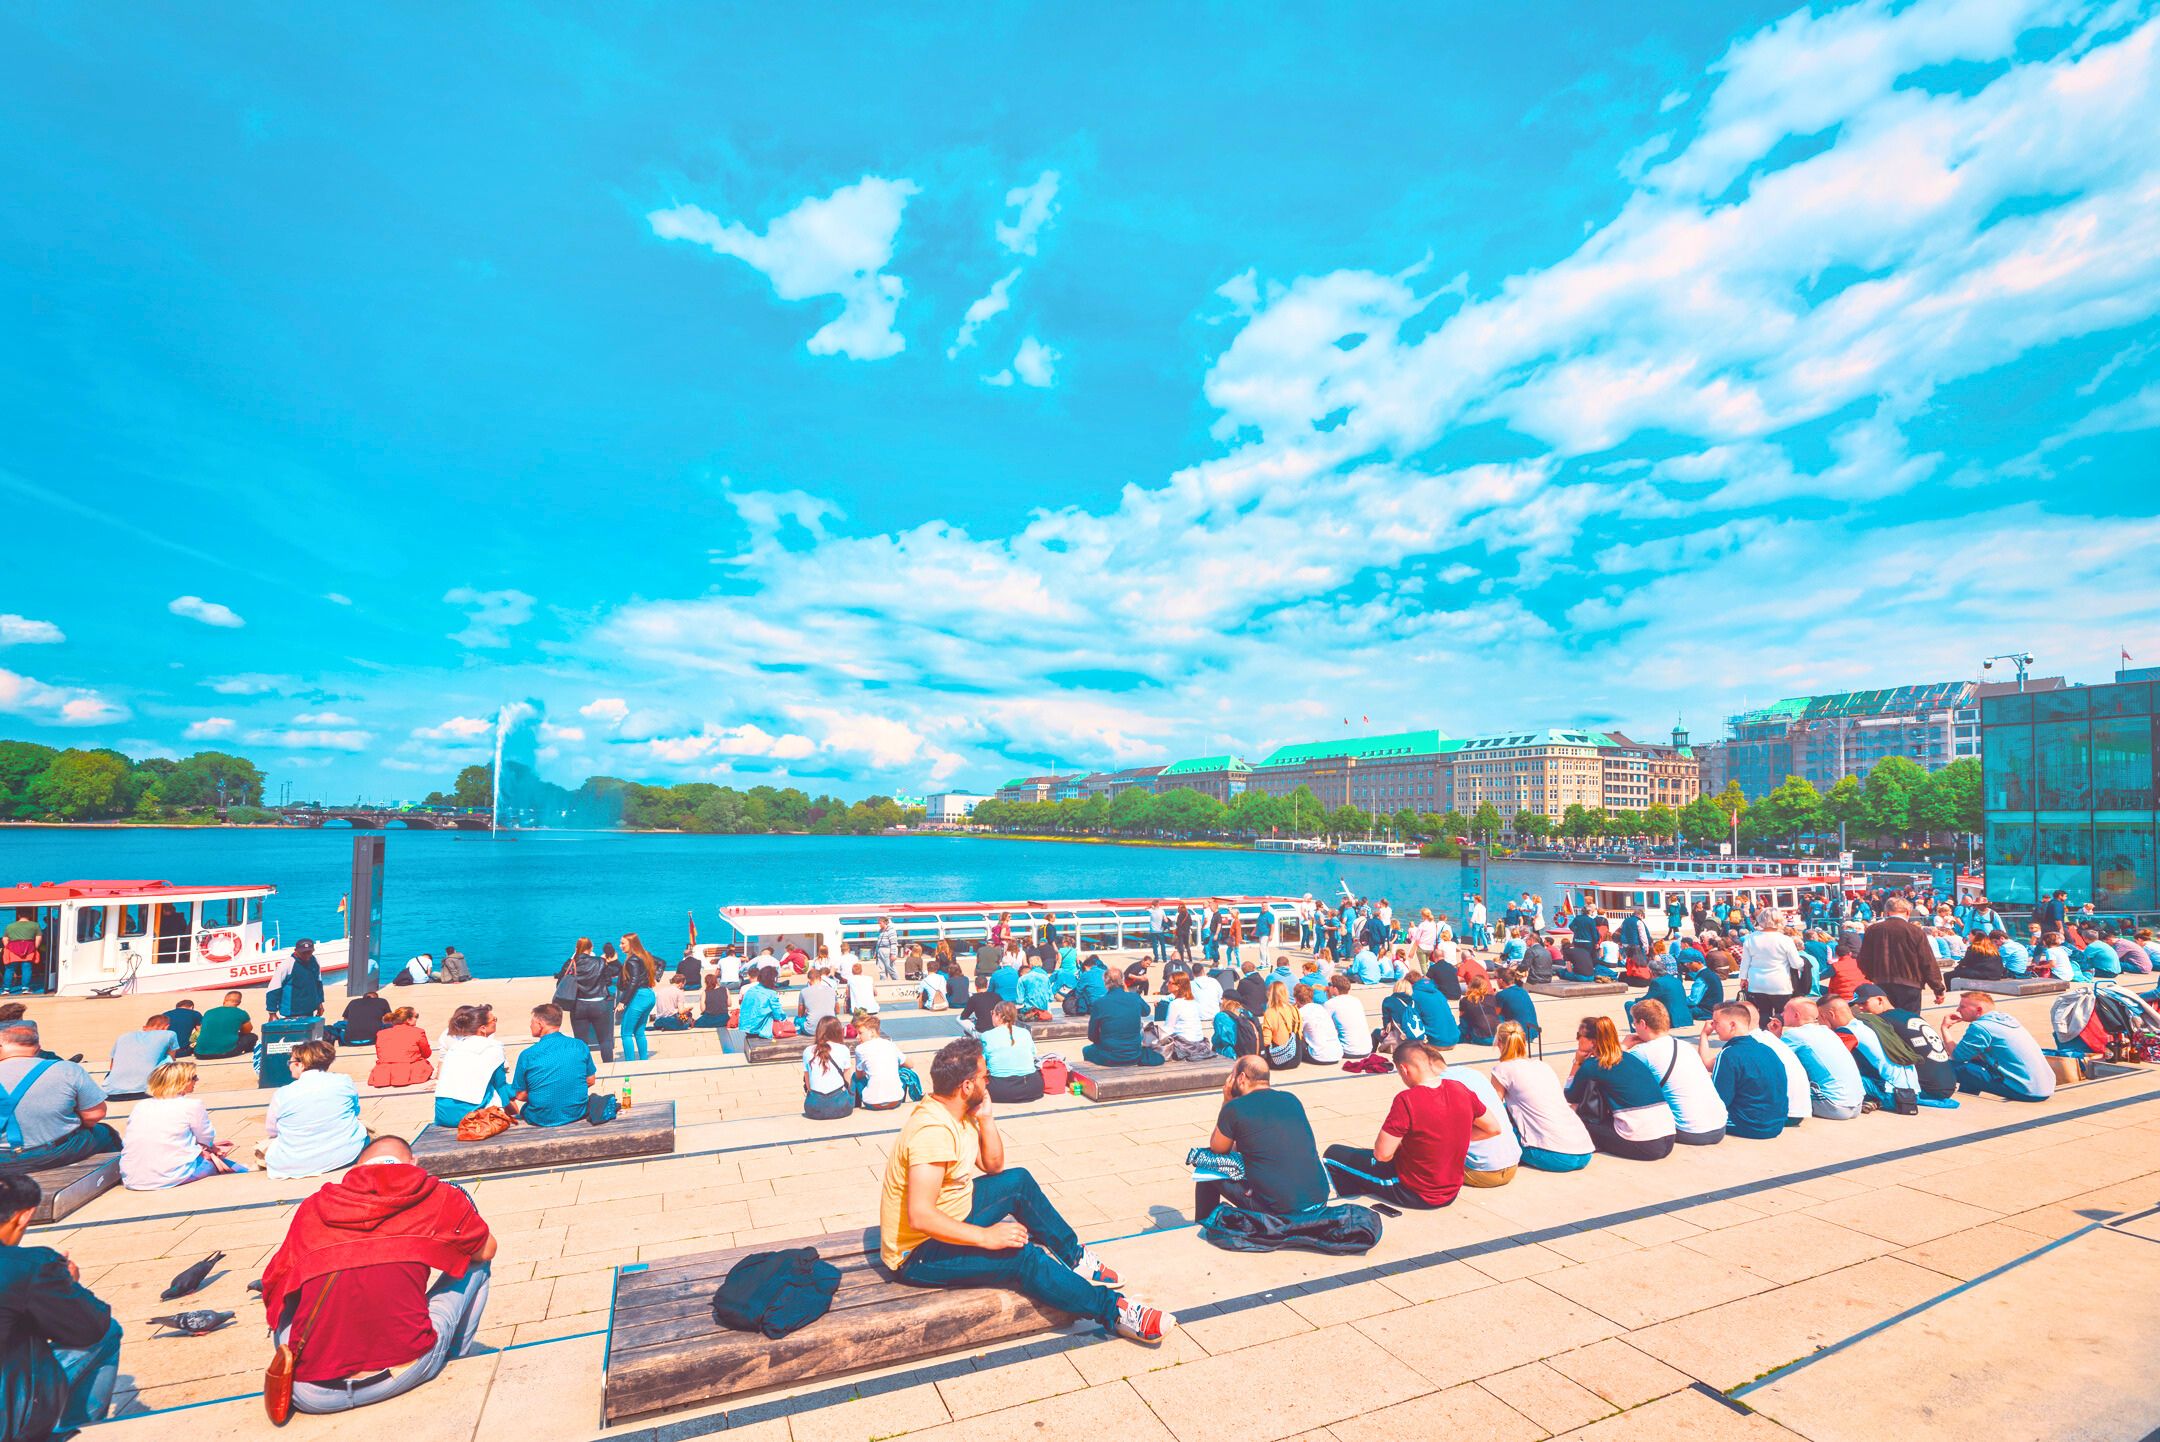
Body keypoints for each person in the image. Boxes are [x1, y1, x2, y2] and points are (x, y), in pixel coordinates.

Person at [881, 1038, 1163, 1340]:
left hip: (955, 1212)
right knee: (1023, 1258)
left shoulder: (959, 1113)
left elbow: (993, 1166)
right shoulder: (933, 1131)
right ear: (966, 1086)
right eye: (985, 1077)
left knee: (1018, 1182)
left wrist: (986, 1118)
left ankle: (1075, 1257)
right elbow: (921, 1216)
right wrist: (986, 1237)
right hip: (918, 1252)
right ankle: (1114, 1312)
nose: (989, 1082)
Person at [259, 1136, 494, 1414]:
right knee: (477, 1265)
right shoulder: (438, 1194)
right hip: (404, 1372)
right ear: (413, 1163)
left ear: (357, 1168)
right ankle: (456, 1357)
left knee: (288, 1293)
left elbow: (276, 1284)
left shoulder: (315, 1205)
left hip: (311, 1395)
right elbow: (487, 1249)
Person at [0, 1171, 121, 1435]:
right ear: (25, 1216)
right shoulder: (30, 1265)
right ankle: (73, 1429)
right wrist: (68, 1284)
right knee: (108, 1331)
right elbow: (91, 1327)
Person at [1323, 1041, 1500, 1206]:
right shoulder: (1460, 1088)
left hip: (1414, 1192)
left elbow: (1382, 1155)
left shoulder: (1407, 1099)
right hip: (1451, 1191)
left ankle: (1352, 1205)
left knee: (1333, 1155)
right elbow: (1493, 1128)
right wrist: (1447, 1141)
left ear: (1404, 1069)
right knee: (1360, 1157)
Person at [1205, 1056, 1329, 1214]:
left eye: (1232, 1075)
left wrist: (1226, 1102)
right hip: (1319, 1200)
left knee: (1205, 1161)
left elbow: (1218, 1149)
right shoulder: (1291, 1099)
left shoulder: (1234, 1108)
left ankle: (1205, 1222)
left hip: (1281, 1209)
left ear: (1241, 1078)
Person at [0, 1020, 118, 1176]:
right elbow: (95, 1114)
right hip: (56, 1153)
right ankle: (122, 1175)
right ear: (38, 1048)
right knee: (105, 1132)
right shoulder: (68, 1069)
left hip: (4, 1161)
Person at [1564, 1016, 1676, 1161]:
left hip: (1645, 1144)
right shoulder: (1630, 1058)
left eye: (1579, 1036)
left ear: (1592, 1042)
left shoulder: (1592, 1065)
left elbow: (1570, 1095)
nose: (1577, 1040)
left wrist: (1577, 1062)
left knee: (1577, 1120)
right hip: (1668, 1135)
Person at [119, 1060, 241, 1190]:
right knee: (223, 1164)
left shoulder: (141, 1106)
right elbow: (206, 1138)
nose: (197, 1080)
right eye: (194, 1077)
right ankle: (245, 1173)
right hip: (171, 1175)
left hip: (132, 1177)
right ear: (181, 1082)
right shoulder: (192, 1105)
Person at [1486, 1021, 1591, 1170]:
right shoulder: (1543, 1066)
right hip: (1584, 1151)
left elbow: (1494, 1109)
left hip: (1555, 1156)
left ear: (1499, 1043)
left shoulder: (1502, 1070)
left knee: (1496, 1124)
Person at [1622, 999, 1726, 1145]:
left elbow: (1614, 1072)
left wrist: (1623, 1046)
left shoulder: (1643, 1052)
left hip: (1689, 1131)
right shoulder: (1685, 1045)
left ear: (1643, 1024)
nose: (1635, 1028)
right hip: (1719, 1126)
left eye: (1635, 1024)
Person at [263, 1040, 368, 1177]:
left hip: (294, 1163)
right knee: (364, 1125)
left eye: (291, 1063)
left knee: (266, 1145)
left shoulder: (283, 1093)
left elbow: (272, 1130)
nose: (290, 1067)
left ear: (300, 1065)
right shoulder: (344, 1081)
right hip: (346, 1154)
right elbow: (355, 1111)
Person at [1941, 991, 2055, 1102]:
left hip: (2025, 1091)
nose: (1957, 1010)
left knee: (1948, 1066)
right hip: (2045, 1088)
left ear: (1978, 1010)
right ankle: (1967, 1095)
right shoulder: (2006, 1020)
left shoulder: (1981, 1027)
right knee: (1973, 1066)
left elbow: (1957, 1056)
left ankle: (1935, 1094)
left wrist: (1944, 1028)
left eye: (1962, 1006)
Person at [1696, 1003, 1788, 1139]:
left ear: (1732, 1025)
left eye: (1716, 1023)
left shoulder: (1729, 1054)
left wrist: (1704, 1035)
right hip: (1776, 1124)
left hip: (1750, 1125)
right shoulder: (1765, 1049)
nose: (1714, 1027)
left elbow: (1719, 1101)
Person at [1855, 984, 1957, 1102]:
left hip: (1926, 1089)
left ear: (1879, 1000)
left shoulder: (1882, 1020)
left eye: (1863, 1003)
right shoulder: (1910, 1015)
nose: (1860, 1008)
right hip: (1947, 1084)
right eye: (1857, 1005)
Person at [1775, 997, 1866, 1119]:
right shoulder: (1828, 1032)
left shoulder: (1795, 1034)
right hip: (1856, 1105)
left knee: (1776, 1085)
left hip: (1833, 1105)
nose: (1781, 1014)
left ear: (1796, 1015)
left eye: (1785, 1011)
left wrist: (1773, 1036)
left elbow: (1772, 1059)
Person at [509, 1004, 597, 1126]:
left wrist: (543, 1092)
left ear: (540, 1024)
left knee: (525, 1110)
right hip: (576, 1112)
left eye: (532, 1022)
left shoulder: (528, 1055)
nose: (530, 1026)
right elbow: (591, 1080)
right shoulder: (579, 1045)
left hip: (541, 1117)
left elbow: (521, 1095)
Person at [1858, 898, 1947, 1013]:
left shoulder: (1872, 930)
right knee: (1910, 1022)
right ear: (1908, 912)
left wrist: (1872, 976)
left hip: (1882, 982)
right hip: (1910, 983)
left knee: (1887, 1021)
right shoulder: (1915, 931)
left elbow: (1863, 959)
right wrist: (1938, 988)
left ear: (1886, 912)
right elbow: (1927, 961)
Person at [432, 1006, 512, 1126]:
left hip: (443, 1115)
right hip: (472, 1117)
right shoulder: (493, 1047)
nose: (495, 1022)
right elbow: (500, 1085)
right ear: (483, 1028)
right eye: (494, 1020)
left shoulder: (455, 1047)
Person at [558, 937, 622, 1063]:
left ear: (576, 948)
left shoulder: (571, 963)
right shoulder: (600, 962)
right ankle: (608, 1065)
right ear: (591, 948)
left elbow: (561, 982)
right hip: (599, 1004)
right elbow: (608, 980)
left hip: (579, 1005)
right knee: (605, 1039)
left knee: (580, 1041)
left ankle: (584, 1067)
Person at [1736, 912, 1802, 1027]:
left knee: (1764, 1012)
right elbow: (1796, 964)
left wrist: (1743, 978)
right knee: (1782, 1013)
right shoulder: (1785, 940)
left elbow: (1745, 962)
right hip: (1780, 982)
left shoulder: (1750, 939)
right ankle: (1779, 1037)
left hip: (1757, 982)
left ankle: (1765, 1035)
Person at [1083, 970, 1159, 1068]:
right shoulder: (1135, 998)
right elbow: (1146, 1011)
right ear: (1122, 981)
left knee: (1087, 1050)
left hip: (1109, 1056)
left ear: (1105, 983)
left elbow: (1092, 1036)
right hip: (1134, 1054)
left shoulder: (1099, 1003)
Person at [102, 1014, 178, 1100]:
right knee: (168, 1060)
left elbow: (112, 1066)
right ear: (166, 1027)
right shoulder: (170, 1034)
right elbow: (172, 1060)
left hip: (111, 1092)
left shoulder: (123, 1036)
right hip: (148, 1091)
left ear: (144, 1027)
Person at [1626, 952, 1695, 1035]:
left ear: (1651, 971)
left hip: (1673, 1020)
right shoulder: (1675, 980)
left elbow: (1646, 1000)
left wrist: (1636, 1000)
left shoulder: (1657, 982)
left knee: (1629, 1004)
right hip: (1686, 1018)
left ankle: (1636, 1031)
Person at [801, 1016, 856, 1120]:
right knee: (854, 1079)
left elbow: (808, 1085)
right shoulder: (843, 1049)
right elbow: (847, 1081)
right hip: (840, 1108)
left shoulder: (808, 1051)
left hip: (814, 1109)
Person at [617, 934, 661, 1063]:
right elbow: (661, 963)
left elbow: (634, 982)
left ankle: (630, 1063)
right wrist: (656, 977)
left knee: (626, 1033)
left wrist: (622, 1002)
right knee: (639, 1031)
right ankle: (643, 1060)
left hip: (639, 996)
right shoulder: (644, 956)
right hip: (649, 994)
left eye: (623, 943)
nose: (620, 946)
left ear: (632, 944)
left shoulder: (632, 961)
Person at [368, 1007, 433, 1088]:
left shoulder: (381, 1033)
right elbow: (426, 1054)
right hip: (410, 1072)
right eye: (416, 1016)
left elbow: (380, 1055)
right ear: (408, 1019)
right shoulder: (418, 1032)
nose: (417, 1019)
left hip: (383, 1075)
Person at [852, 1015, 907, 1110]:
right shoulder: (890, 1045)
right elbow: (910, 1064)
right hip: (896, 1101)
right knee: (904, 1072)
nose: (858, 1037)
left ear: (872, 1032)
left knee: (855, 1077)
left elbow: (859, 1076)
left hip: (872, 1103)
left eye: (860, 1033)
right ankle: (898, 1096)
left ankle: (856, 1106)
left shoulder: (860, 1049)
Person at [1405, 965, 1461, 1047]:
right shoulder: (1437, 992)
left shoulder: (1414, 995)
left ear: (1410, 984)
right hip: (1454, 1038)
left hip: (1437, 1041)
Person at [193, 991, 255, 1060]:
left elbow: (202, 1029)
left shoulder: (208, 1012)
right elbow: (247, 1031)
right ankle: (248, 1052)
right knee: (252, 1037)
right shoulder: (241, 1013)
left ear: (224, 1000)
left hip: (200, 1053)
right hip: (226, 1052)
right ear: (239, 1003)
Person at [1324, 974, 1374, 1060]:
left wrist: (1328, 997)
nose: (1328, 987)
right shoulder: (1356, 1000)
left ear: (1335, 988)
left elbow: (1323, 1026)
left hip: (1348, 1050)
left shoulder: (1330, 1004)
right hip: (1367, 1049)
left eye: (1329, 984)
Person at [1295, 983, 1344, 1066]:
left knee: (1295, 1039)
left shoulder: (1301, 1012)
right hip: (1337, 1053)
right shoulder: (1321, 1008)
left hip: (1319, 1056)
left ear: (1296, 999)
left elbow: (1295, 1032)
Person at [737, 965, 787, 1040]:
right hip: (758, 1030)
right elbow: (779, 1015)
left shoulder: (750, 990)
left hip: (746, 1028)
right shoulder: (770, 993)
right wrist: (785, 1020)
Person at [1260, 980, 1301, 1070]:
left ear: (1270, 994)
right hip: (1296, 1057)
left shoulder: (1270, 1012)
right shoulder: (1294, 1009)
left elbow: (1266, 1041)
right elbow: (1300, 1033)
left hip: (1278, 1059)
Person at [1493, 967, 1540, 1043]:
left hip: (1518, 1034)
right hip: (1533, 1032)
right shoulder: (1523, 991)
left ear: (1501, 980)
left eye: (1496, 977)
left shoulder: (1501, 995)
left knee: (1494, 1017)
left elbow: (1495, 1014)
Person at [283, 938, 327, 1018]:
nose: (307, 955)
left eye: (309, 952)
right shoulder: (288, 964)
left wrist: (319, 1003)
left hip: (309, 1010)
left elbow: (318, 983)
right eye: (304, 953)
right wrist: (272, 1013)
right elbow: (274, 988)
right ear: (296, 951)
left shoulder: (315, 961)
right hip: (292, 1012)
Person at [1, 910, 42, 996]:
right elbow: (38, 938)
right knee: (26, 969)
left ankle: (6, 990)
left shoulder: (10, 926)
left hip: (12, 949)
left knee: (9, 969)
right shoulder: (35, 925)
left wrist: (9, 947)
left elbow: (5, 939)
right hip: (29, 948)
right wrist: (34, 948)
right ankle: (25, 989)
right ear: (30, 916)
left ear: (19, 916)